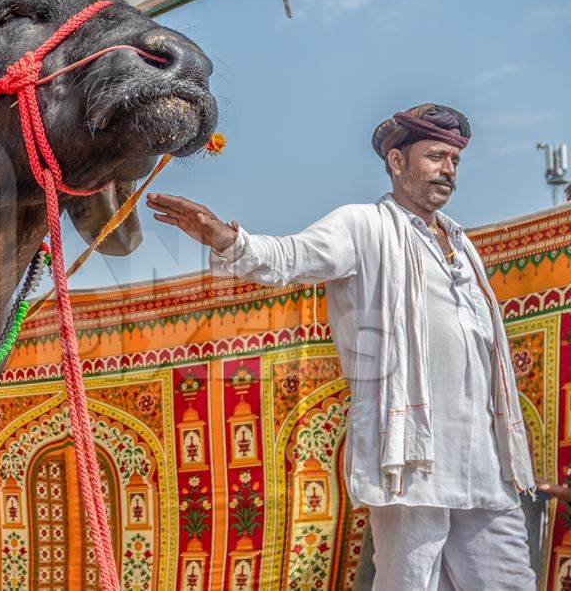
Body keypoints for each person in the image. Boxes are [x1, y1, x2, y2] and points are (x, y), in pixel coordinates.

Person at [146, 103, 536, 590]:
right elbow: (289, 258)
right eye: (436, 156)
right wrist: (225, 238)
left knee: (511, 582)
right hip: (414, 463)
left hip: (484, 465)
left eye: (454, 161)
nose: (448, 171)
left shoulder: (462, 245)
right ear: (396, 162)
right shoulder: (363, 226)